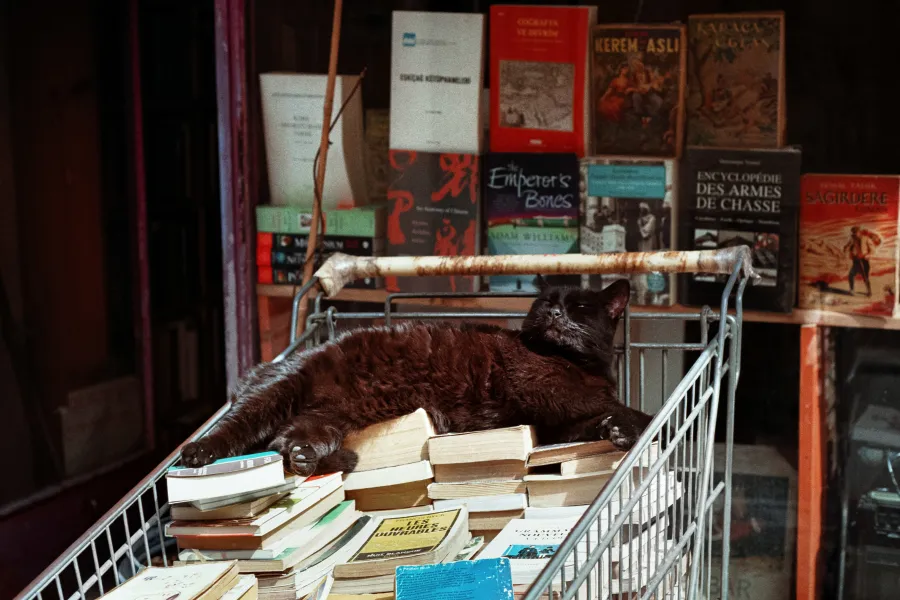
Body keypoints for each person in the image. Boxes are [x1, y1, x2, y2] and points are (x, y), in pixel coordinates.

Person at [843, 225, 882, 296]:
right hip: (856, 261)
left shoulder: (866, 239)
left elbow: (872, 250)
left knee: (865, 277)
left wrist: (868, 255)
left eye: (856, 233)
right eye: (853, 233)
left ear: (859, 232)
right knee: (851, 275)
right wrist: (846, 248)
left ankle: (869, 291)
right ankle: (852, 290)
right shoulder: (852, 240)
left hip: (864, 260)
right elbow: (847, 247)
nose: (855, 234)